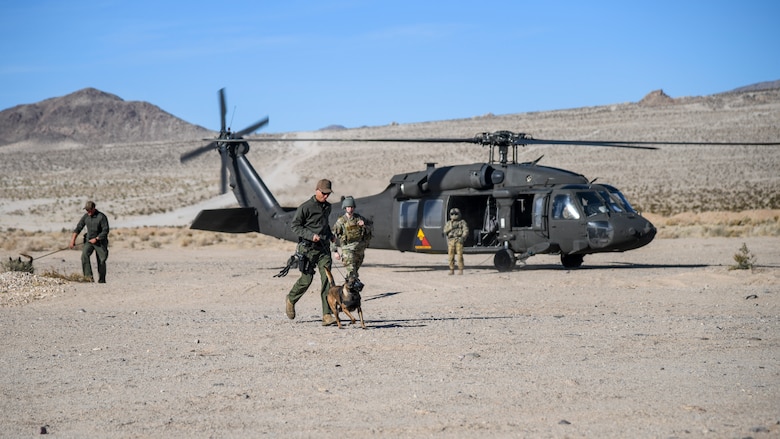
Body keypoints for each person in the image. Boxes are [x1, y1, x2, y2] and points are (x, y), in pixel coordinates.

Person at [285, 179, 339, 326]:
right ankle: (291, 299)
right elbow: (295, 225)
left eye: (328, 194)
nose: (326, 196)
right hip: (308, 249)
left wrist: (330, 235)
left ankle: (327, 315)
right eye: (323, 193)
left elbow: (324, 225)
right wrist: (310, 235)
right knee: (306, 280)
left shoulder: (328, 207)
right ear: (316, 190)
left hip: (323, 249)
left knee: (327, 279)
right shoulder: (305, 207)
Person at [69, 200, 110, 283]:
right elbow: (78, 228)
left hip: (100, 242)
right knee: (84, 256)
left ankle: (102, 280)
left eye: (89, 210)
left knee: (102, 260)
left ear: (94, 208)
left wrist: (97, 238)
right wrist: (72, 240)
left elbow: (105, 230)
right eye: (87, 210)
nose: (88, 212)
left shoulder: (101, 217)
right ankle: (88, 278)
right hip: (89, 241)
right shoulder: (86, 217)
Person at [332, 196, 372, 278]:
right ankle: (351, 288)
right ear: (345, 208)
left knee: (354, 273)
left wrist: (364, 224)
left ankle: (350, 287)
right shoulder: (341, 221)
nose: (350, 209)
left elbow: (370, 229)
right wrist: (335, 251)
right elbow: (333, 236)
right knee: (352, 272)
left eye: (352, 207)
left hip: (359, 249)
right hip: (347, 250)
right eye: (348, 207)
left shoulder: (358, 218)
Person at [443, 207, 468, 275]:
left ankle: (460, 269)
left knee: (459, 256)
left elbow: (465, 230)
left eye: (456, 214)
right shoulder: (449, 223)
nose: (454, 215)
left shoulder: (462, 222)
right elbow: (444, 231)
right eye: (452, 214)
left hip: (458, 240)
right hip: (451, 241)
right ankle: (452, 269)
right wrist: (450, 228)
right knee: (451, 256)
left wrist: (463, 237)